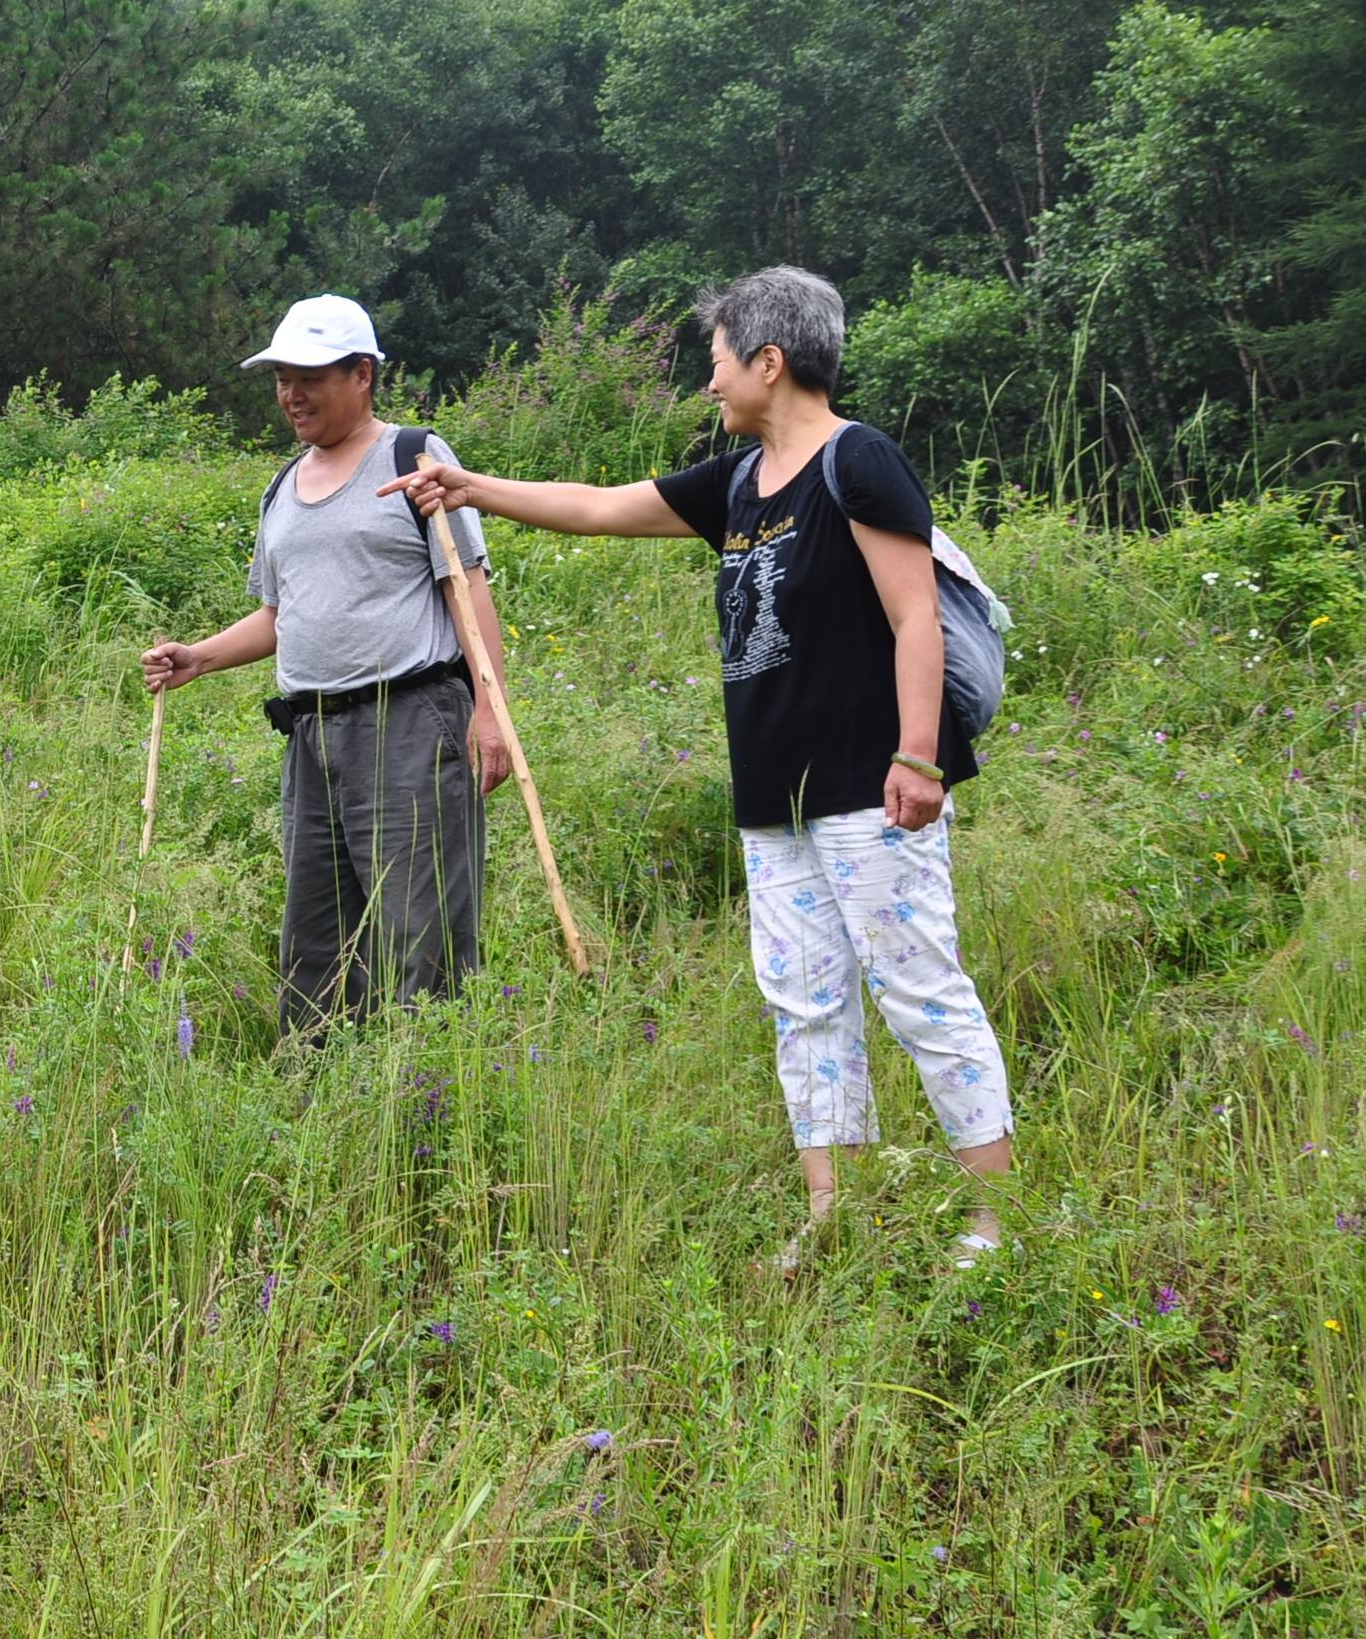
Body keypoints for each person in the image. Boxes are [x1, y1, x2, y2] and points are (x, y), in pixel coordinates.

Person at [382, 264, 1016, 1273]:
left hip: (871, 787)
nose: (709, 384)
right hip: (776, 800)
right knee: (804, 1003)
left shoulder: (859, 462)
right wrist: (470, 489)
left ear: (771, 361)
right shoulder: (735, 484)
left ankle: (993, 1221)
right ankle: (829, 1214)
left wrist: (918, 756)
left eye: (718, 363)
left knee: (918, 990)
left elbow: (914, 619)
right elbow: (597, 506)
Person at [142, 294, 515, 1033]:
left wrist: (490, 711)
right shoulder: (283, 486)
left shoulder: (414, 456)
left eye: (309, 375)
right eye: (282, 376)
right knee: (315, 935)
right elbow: (282, 616)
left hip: (410, 724)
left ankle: (431, 1102)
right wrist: (199, 659)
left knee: (423, 932)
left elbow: (466, 589)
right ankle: (320, 1101)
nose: (291, 393)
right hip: (312, 737)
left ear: (363, 375)